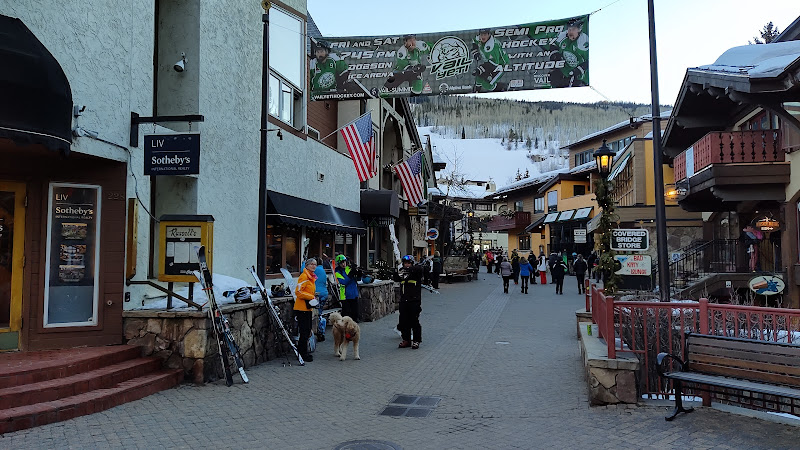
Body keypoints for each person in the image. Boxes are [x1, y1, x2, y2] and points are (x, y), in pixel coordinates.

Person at [548, 18, 589, 88]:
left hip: (578, 75)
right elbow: (553, 44)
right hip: (564, 69)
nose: (570, 32)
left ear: (579, 30)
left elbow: (589, 60)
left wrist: (580, 69)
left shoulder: (583, 41)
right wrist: (555, 54)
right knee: (553, 78)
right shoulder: (562, 35)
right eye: (569, 29)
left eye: (573, 29)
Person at [393, 255, 423, 349]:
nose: (407, 265)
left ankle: (416, 340)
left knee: (414, 321)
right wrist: (395, 270)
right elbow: (396, 278)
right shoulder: (402, 273)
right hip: (404, 300)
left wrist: (409, 269)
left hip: (414, 300)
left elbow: (421, 270)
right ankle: (406, 340)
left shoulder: (416, 271)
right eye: (405, 263)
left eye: (409, 263)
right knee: (403, 321)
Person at [293, 258, 319, 362]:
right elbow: (298, 292)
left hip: (307, 308)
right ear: (307, 265)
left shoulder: (311, 277)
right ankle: (302, 353)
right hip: (301, 308)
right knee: (304, 331)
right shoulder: (304, 276)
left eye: (315, 264)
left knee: (307, 330)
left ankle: (303, 351)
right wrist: (311, 297)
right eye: (311, 264)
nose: (314, 266)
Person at [470, 28, 509, 92]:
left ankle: (503, 87)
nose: (483, 36)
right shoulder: (479, 38)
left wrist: (481, 69)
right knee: (478, 78)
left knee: (487, 85)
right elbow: (474, 41)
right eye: (481, 34)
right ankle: (476, 92)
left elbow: (494, 64)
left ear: (489, 34)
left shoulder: (492, 47)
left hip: (500, 66)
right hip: (489, 63)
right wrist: (475, 52)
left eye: (485, 34)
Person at [334, 255, 361, 322]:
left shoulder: (349, 268)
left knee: (355, 316)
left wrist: (359, 274)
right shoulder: (338, 272)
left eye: (344, 262)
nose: (343, 264)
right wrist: (350, 275)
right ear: (338, 264)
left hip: (354, 294)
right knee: (346, 317)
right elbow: (343, 282)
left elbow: (356, 280)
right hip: (345, 296)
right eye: (341, 263)